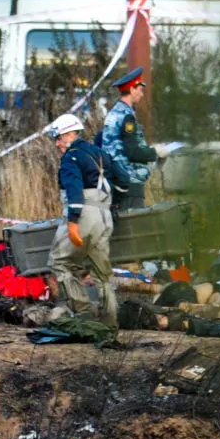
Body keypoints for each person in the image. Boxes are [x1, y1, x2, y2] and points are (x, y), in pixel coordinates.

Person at [45, 112, 114, 318]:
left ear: (69, 134)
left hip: (84, 215)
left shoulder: (70, 157)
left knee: (59, 262)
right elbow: (123, 180)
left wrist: (73, 222)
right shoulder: (99, 154)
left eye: (58, 138)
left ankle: (83, 311)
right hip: (105, 216)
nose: (57, 144)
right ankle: (110, 322)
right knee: (103, 273)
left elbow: (74, 190)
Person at [97, 68, 157, 211]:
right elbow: (133, 152)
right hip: (130, 181)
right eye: (140, 90)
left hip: (115, 180)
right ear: (132, 89)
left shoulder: (113, 113)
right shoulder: (127, 116)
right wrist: (156, 153)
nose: (142, 95)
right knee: (135, 224)